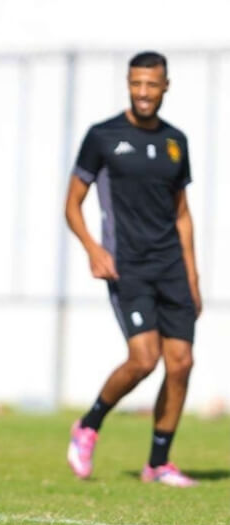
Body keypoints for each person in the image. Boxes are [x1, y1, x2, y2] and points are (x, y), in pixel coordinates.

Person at [65, 51, 200, 487]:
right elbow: (72, 204)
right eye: (136, 83)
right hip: (129, 267)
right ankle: (88, 425)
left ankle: (158, 463)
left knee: (180, 363)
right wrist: (92, 248)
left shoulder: (176, 141)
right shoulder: (103, 136)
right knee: (144, 359)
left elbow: (182, 213)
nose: (143, 92)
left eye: (151, 84)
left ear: (166, 86)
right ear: (129, 84)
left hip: (172, 268)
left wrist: (193, 276)